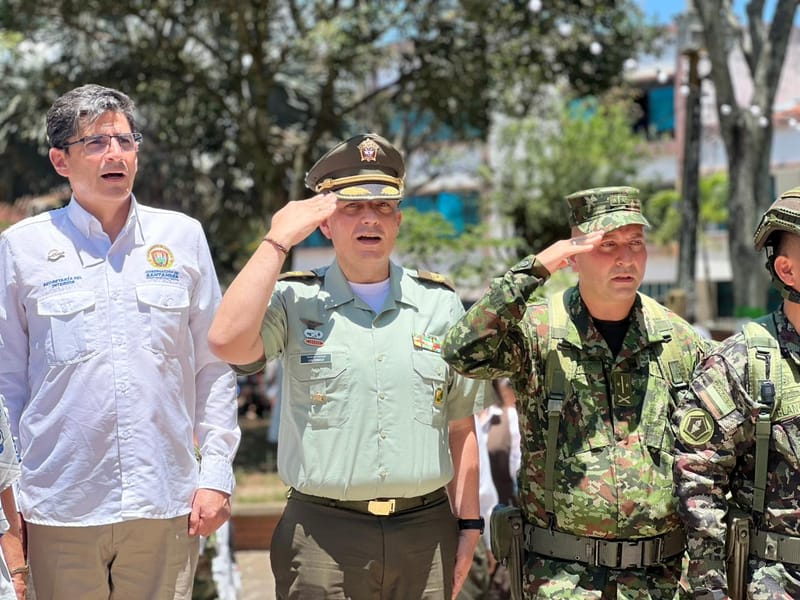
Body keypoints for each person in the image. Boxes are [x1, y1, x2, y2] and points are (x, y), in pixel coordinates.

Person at [207, 132, 487, 599]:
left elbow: (461, 427)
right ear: (325, 224)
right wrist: (277, 240)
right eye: (351, 208)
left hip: (425, 533)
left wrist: (470, 524)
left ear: (397, 221)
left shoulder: (440, 304)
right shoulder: (295, 299)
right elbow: (227, 342)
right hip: (322, 535)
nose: (369, 220)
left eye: (382, 208)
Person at [0, 84, 241, 599]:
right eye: (96, 143)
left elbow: (213, 366)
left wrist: (217, 473)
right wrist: (8, 497)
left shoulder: (182, 237)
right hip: (57, 505)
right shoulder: (21, 248)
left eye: (126, 141)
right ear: (60, 160)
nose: (116, 154)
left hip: (164, 499)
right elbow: (6, 383)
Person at [442, 186, 712, 599]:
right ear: (574, 254)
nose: (625, 258)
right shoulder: (539, 331)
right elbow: (464, 351)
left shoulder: (678, 340)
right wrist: (535, 270)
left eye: (635, 243)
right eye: (608, 245)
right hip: (562, 578)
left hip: (660, 578)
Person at [672, 186, 800, 599]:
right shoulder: (744, 362)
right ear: (788, 271)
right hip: (779, 580)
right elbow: (698, 480)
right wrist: (710, 590)